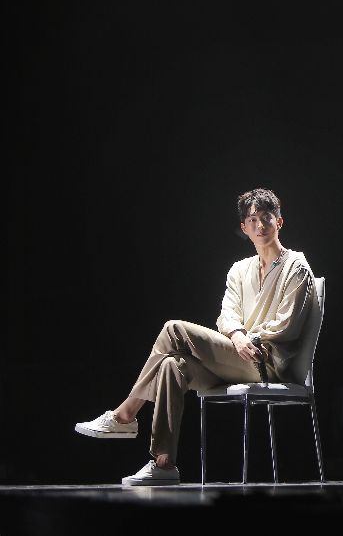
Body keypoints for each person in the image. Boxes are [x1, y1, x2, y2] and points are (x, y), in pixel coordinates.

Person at [74, 188, 315, 486]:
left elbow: (287, 325)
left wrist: (247, 339)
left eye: (266, 217)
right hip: (236, 356)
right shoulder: (239, 270)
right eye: (252, 219)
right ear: (244, 228)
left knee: (173, 329)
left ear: (279, 221)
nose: (260, 225)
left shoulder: (296, 266)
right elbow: (227, 315)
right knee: (171, 365)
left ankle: (125, 414)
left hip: (268, 363)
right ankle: (163, 463)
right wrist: (236, 335)